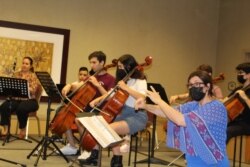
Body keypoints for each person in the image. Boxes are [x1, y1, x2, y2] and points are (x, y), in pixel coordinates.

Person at [135, 70, 229, 167]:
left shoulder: (216, 107)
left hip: (213, 161)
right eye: (190, 85)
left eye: (197, 84)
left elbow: (180, 120)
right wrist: (145, 106)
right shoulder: (194, 105)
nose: (193, 88)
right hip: (194, 159)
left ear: (207, 86)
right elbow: (167, 111)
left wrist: (159, 101)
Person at [76, 54, 148, 166]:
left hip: (137, 115)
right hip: (124, 114)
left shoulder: (140, 81)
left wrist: (126, 88)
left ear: (129, 67)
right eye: (118, 67)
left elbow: (142, 97)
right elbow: (111, 94)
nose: (119, 69)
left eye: (121, 67)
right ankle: (96, 156)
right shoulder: (124, 80)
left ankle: (117, 159)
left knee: (109, 129)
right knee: (98, 126)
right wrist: (98, 99)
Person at [58, 51, 115, 156]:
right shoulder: (92, 77)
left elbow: (109, 97)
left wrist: (97, 85)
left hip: (100, 111)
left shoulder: (110, 79)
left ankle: (87, 149)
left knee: (79, 119)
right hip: (88, 109)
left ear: (102, 62)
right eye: (90, 62)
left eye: (94, 62)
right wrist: (69, 85)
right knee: (66, 115)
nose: (91, 65)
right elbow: (78, 85)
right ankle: (72, 146)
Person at [0, 56, 41, 139]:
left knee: (21, 108)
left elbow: (33, 90)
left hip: (30, 100)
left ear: (30, 66)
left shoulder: (33, 76)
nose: (24, 65)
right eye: (23, 63)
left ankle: (22, 128)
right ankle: (6, 130)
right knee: (4, 106)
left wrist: (24, 86)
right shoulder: (16, 74)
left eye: (26, 64)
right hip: (17, 99)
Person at [226, 62, 250, 144]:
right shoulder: (238, 89)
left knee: (227, 131)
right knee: (215, 128)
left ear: (248, 75)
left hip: (247, 124)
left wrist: (245, 97)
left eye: (241, 72)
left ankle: (216, 154)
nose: (239, 75)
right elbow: (226, 100)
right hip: (235, 121)